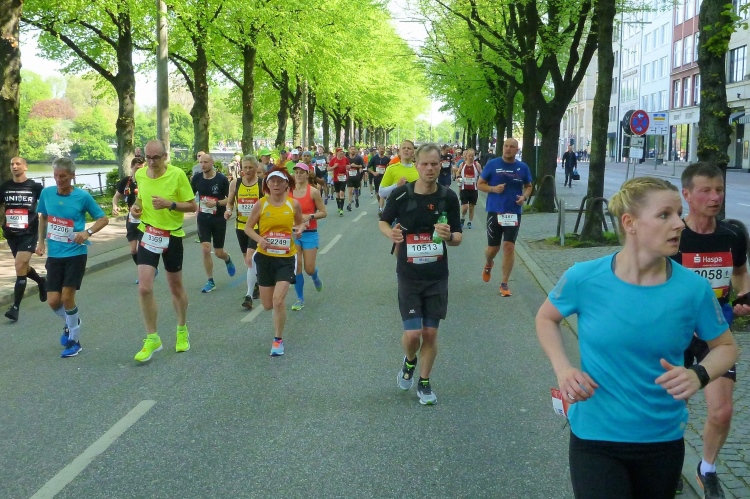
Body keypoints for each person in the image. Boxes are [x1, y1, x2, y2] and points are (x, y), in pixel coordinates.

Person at [536, 176, 738, 499]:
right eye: (665, 215)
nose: (679, 224)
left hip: (662, 440)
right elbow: (546, 318)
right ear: (629, 223)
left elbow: (726, 347)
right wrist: (563, 369)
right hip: (596, 438)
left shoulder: (693, 289)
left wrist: (698, 374)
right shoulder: (583, 278)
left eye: (679, 213)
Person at [671, 162, 750, 498]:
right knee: (672, 407)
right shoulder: (675, 237)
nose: (715, 197)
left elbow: (740, 272)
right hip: (675, 335)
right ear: (687, 194)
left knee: (722, 410)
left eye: (719, 189)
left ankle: (707, 468)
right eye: (706, 190)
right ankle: (668, 464)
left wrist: (744, 296)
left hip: (715, 337)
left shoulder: (732, 235)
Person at [379, 143, 462, 405]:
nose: (429, 168)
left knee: (430, 333)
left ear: (441, 165)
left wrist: (449, 237)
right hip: (409, 275)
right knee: (413, 334)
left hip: (437, 275)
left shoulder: (448, 197)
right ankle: (410, 360)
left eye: (434, 164)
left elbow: (458, 236)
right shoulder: (401, 195)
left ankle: (424, 382)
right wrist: (391, 233)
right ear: (416, 165)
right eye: (424, 164)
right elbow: (383, 221)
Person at [131, 140, 198, 362]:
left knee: (175, 287)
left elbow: (192, 205)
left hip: (172, 235)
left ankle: (182, 329)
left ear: (165, 156)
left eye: (156, 158)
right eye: (148, 158)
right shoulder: (141, 174)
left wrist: (170, 204)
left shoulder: (177, 175)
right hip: (148, 232)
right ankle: (152, 338)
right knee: (144, 287)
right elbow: (140, 199)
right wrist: (136, 208)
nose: (151, 162)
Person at [36, 157, 109, 357]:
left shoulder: (82, 197)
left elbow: (103, 219)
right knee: (53, 301)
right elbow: (43, 217)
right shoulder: (47, 193)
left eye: (63, 176)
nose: (59, 180)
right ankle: (72, 321)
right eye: (56, 176)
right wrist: (40, 242)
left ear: (72, 176)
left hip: (76, 253)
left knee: (67, 297)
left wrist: (87, 232)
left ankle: (74, 342)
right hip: (55, 255)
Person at [244, 167, 305, 356]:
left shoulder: (293, 204)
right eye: (273, 181)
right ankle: (277, 328)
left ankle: (278, 340)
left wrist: (300, 229)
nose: (276, 184)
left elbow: (300, 222)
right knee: (268, 304)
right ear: (267, 184)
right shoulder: (261, 204)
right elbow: (248, 228)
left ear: (287, 184)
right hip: (265, 258)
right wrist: (260, 240)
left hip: (286, 258)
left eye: (280, 181)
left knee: (278, 301)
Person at [477, 138, 532, 297]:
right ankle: (489, 263)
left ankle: (504, 283)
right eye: (506, 146)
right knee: (492, 249)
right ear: (502, 148)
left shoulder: (522, 167)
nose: (508, 149)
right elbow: (480, 184)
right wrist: (493, 189)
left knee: (509, 246)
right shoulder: (493, 164)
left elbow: (529, 186)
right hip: (495, 211)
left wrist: (524, 197)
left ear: (517, 150)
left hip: (513, 213)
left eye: (512, 147)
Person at [1, 157, 46, 322]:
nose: (14, 166)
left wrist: (42, 240)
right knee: (23, 266)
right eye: (12, 164)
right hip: (12, 234)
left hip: (29, 233)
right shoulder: (5, 187)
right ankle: (41, 281)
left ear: (25, 167)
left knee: (19, 265)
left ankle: (15, 307)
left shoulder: (35, 187)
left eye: (18, 164)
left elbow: (48, 206)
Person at [191, 153, 236, 293]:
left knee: (218, 252)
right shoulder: (196, 178)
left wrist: (216, 203)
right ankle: (210, 281)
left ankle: (227, 258)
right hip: (203, 219)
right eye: (201, 162)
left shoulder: (221, 179)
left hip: (218, 219)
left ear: (212, 163)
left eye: (206, 162)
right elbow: (189, 196)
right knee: (205, 249)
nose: (203, 165)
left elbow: (230, 200)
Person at [225, 155, 263, 309]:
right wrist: (228, 211)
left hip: (257, 227)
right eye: (245, 167)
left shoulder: (261, 183)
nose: (247, 170)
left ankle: (249, 295)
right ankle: (256, 282)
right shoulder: (236, 183)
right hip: (240, 226)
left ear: (256, 168)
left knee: (250, 258)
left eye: (250, 167)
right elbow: (229, 202)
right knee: (247, 260)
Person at [290, 162, 327, 311]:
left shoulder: (313, 192)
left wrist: (309, 216)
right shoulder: (288, 191)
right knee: (297, 266)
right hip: (293, 233)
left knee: (309, 269)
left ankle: (315, 276)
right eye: (296, 172)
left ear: (307, 174)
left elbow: (323, 212)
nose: (298, 175)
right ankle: (300, 299)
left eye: (301, 172)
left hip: (310, 233)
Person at [112, 156, 146, 282]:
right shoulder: (126, 181)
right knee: (133, 250)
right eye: (137, 168)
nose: (139, 171)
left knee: (141, 249)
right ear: (131, 167)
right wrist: (115, 206)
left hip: (145, 219)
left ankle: (145, 273)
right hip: (131, 219)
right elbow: (116, 196)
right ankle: (146, 270)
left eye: (142, 168)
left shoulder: (147, 180)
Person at [456, 148, 482, 229]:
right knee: (465, 207)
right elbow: (458, 172)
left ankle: (470, 222)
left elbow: (482, 174)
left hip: (474, 189)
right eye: (469, 155)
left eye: (472, 156)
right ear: (466, 156)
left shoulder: (477, 165)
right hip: (464, 189)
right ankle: (462, 218)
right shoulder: (462, 164)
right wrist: (458, 177)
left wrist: (481, 181)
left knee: (471, 207)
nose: (471, 157)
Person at [368, 145, 390, 215]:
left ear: (384, 150)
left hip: (384, 178)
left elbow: (391, 167)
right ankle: (380, 204)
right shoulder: (374, 158)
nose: (382, 150)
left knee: (382, 194)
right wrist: (373, 173)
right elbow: (368, 167)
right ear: (378, 149)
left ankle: (381, 208)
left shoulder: (387, 159)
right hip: (376, 178)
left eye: (383, 149)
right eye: (381, 149)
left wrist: (387, 173)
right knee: (377, 193)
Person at [328, 147, 349, 216]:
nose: (342, 153)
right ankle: (339, 207)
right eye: (340, 151)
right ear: (337, 152)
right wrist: (334, 167)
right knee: (337, 194)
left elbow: (348, 165)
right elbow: (328, 168)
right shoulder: (333, 160)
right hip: (336, 179)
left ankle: (341, 210)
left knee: (341, 193)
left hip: (343, 178)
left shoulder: (345, 159)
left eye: (342, 151)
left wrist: (348, 167)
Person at [345, 145, 364, 211]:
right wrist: (347, 167)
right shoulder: (346, 158)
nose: (352, 150)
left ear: (355, 150)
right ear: (349, 150)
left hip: (356, 176)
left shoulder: (359, 158)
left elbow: (362, 166)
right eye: (351, 149)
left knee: (356, 189)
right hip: (349, 176)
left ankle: (356, 198)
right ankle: (349, 204)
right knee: (350, 191)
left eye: (354, 149)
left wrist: (356, 165)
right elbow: (344, 166)